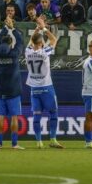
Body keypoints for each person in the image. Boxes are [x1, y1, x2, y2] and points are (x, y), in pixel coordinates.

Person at [25, 17, 63, 149]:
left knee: (37, 115)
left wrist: (37, 29)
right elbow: (54, 40)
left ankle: (39, 141)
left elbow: (31, 42)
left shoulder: (27, 52)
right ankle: (53, 139)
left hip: (34, 88)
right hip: (46, 87)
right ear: (41, 43)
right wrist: (44, 28)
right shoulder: (44, 52)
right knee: (53, 112)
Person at [0, 16, 24, 149]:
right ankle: (14, 144)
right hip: (13, 91)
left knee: (0, 117)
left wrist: (5, 29)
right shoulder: (13, 54)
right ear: (11, 45)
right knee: (14, 117)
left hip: (0, 90)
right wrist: (12, 28)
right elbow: (21, 42)